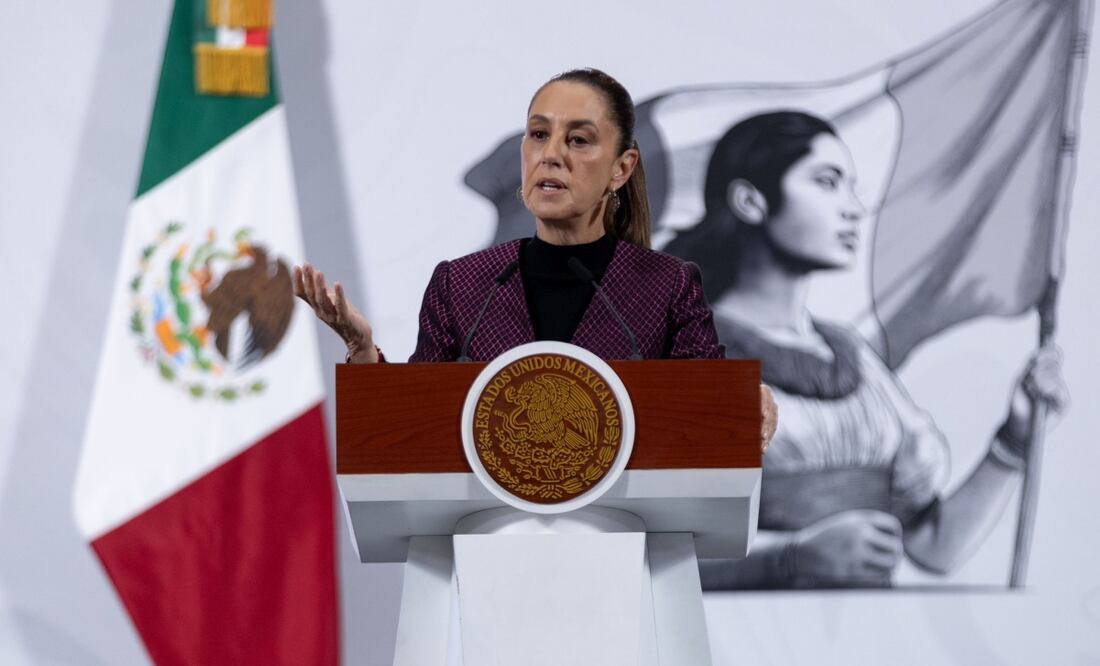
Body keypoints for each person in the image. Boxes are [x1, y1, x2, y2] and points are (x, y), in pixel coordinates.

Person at [665, 111, 1068, 588]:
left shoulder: (853, 356)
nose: (854, 209)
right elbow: (656, 553)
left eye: (851, 187)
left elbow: (933, 547)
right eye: (827, 182)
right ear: (751, 201)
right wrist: (790, 558)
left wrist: (1015, 438)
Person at [292, 68, 778, 446]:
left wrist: (743, 406)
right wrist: (361, 349)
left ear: (621, 168)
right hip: (491, 541)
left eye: (579, 140)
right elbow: (411, 426)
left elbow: (710, 415)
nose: (551, 155)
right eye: (539, 134)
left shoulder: (667, 287)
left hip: (624, 541)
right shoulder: (462, 286)